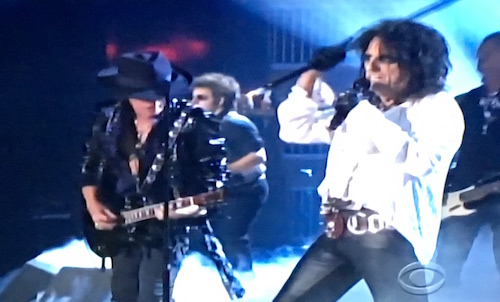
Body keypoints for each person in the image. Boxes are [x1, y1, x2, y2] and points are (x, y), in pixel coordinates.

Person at [274, 19, 464, 301]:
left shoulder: (438, 107)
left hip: (388, 237)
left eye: (384, 59)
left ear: (415, 63)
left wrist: (371, 114)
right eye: (367, 58)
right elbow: (295, 129)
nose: (371, 67)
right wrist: (312, 74)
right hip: (338, 232)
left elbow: (421, 162)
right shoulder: (365, 109)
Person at [81, 51, 243, 302]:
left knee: (152, 294)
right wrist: (93, 204)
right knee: (123, 293)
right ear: (126, 94)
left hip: (166, 230)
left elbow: (215, 186)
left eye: (160, 95)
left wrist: (184, 210)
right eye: (145, 97)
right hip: (120, 224)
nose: (155, 103)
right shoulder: (109, 120)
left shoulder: (192, 123)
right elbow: (89, 167)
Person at [437, 32, 500, 287]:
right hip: (464, 192)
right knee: (447, 261)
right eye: (478, 58)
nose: (479, 64)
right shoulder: (463, 102)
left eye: (485, 57)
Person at [190, 72, 269, 273]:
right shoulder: (204, 124)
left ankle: (245, 282)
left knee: (231, 237)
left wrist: (223, 170)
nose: (193, 103)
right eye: (193, 97)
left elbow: (258, 156)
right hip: (223, 192)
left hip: (246, 190)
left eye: (201, 98)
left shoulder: (235, 123)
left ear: (221, 100)